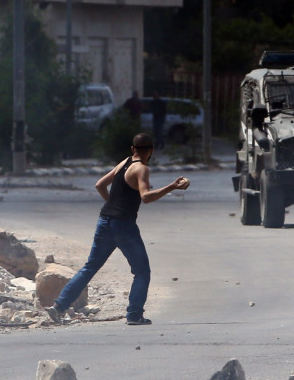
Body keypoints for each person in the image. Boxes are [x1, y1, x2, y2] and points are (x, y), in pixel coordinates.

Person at [46, 133, 189, 325]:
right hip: (124, 226)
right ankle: (134, 315)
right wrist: (172, 187)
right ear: (151, 150)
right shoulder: (142, 169)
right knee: (142, 272)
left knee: (90, 267)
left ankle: (59, 307)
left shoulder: (125, 162)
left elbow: (100, 185)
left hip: (105, 221)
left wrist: (112, 204)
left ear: (133, 149)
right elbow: (146, 197)